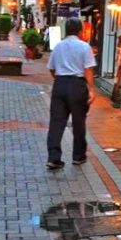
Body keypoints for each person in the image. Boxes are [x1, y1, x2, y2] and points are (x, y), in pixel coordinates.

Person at [45, 18, 96, 170]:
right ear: (80, 31)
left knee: (56, 123)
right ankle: (78, 156)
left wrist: (59, 79)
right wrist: (91, 89)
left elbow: (51, 68)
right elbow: (88, 69)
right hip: (77, 85)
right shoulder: (84, 46)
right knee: (78, 122)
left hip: (60, 84)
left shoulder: (58, 46)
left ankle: (54, 158)